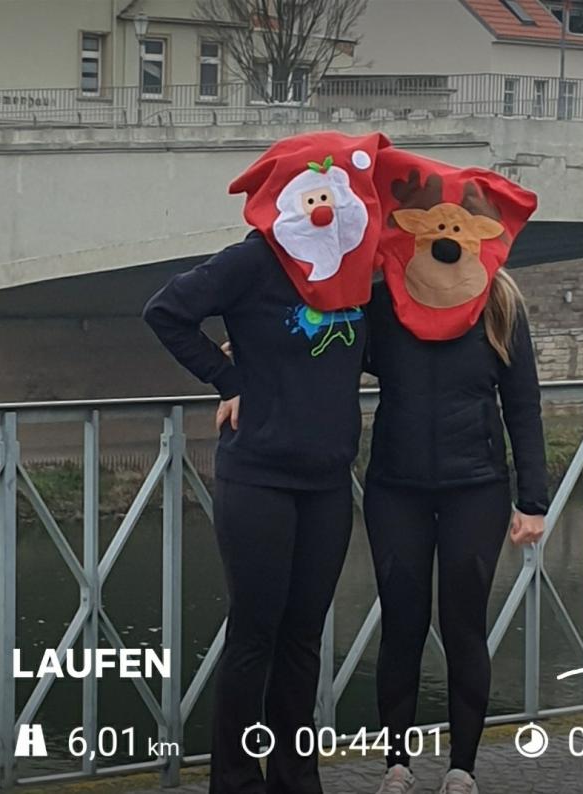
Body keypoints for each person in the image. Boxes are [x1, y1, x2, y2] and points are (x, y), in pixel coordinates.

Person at [143, 131, 390, 794]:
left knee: (304, 638)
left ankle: (294, 777)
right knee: (255, 633)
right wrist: (228, 379)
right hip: (258, 476)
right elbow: (165, 312)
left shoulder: (356, 267)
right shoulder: (252, 261)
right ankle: (235, 780)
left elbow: (379, 345)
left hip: (329, 480)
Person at [365, 150, 548, 794]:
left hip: (477, 487)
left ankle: (462, 768)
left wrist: (534, 500)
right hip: (395, 486)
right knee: (402, 622)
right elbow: (326, 354)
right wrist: (251, 369)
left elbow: (523, 405)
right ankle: (396, 764)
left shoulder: (500, 304)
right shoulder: (384, 301)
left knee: (463, 624)